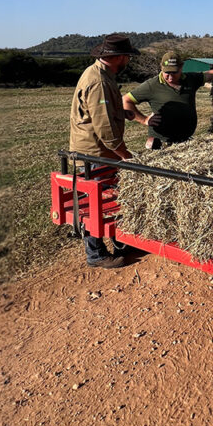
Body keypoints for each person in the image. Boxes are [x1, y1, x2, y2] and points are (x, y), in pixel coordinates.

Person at [69, 34, 140, 268]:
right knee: (95, 204)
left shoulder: (102, 75)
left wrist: (124, 112)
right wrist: (126, 156)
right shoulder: (98, 81)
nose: (128, 60)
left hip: (99, 152)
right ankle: (96, 255)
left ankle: (120, 242)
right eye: (127, 56)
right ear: (118, 57)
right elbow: (105, 129)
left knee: (110, 201)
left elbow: (104, 111)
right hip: (94, 154)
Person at [123, 51, 213, 149]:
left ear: (181, 67)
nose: (170, 77)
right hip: (161, 142)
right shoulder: (152, 85)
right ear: (161, 67)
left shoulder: (190, 79)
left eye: (174, 72)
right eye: (167, 73)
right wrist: (144, 119)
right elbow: (126, 100)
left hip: (185, 141)